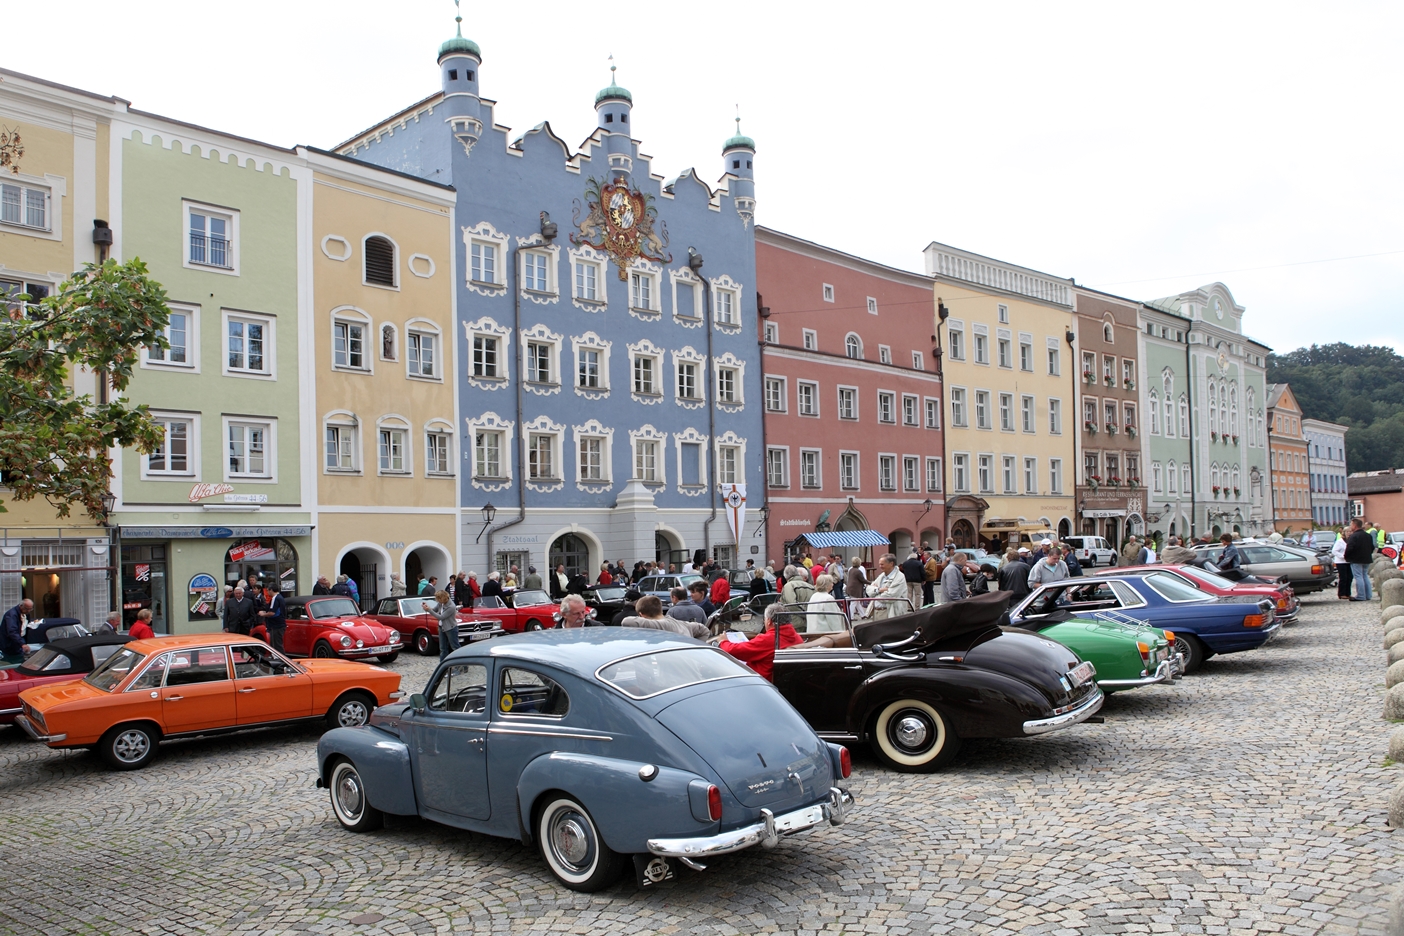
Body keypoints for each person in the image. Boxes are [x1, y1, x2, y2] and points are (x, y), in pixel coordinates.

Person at [718, 603, 803, 682]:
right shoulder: (797, 637)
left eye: (764, 619)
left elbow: (733, 651)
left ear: (769, 621)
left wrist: (723, 641)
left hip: (760, 681)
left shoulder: (768, 639)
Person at [622, 595, 708, 639]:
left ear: (641, 615)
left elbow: (626, 621)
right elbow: (704, 630)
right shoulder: (681, 624)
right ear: (661, 610)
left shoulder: (658, 625)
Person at [865, 554, 909, 619]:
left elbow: (890, 597)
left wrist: (875, 594)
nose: (880, 566)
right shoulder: (881, 576)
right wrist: (879, 590)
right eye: (879, 564)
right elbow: (868, 590)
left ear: (891, 564)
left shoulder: (899, 577)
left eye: (882, 564)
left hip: (890, 613)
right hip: (876, 612)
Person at [423, 590, 460, 660]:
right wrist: (427, 608)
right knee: (443, 648)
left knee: (455, 647)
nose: (437, 601)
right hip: (441, 627)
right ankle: (443, 666)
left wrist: (429, 610)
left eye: (438, 599)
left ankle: (463, 664)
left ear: (442, 598)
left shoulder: (451, 606)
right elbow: (434, 610)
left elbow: (441, 617)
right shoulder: (441, 603)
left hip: (451, 628)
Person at [1345, 518, 1375, 601]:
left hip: (1356, 559)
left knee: (1358, 576)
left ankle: (1361, 595)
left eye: (1351, 524)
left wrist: (1347, 556)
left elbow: (1349, 548)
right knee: (1365, 576)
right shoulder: (1368, 535)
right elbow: (1372, 547)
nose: (1350, 526)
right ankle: (1368, 595)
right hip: (1366, 558)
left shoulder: (1354, 536)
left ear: (1354, 525)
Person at [1, 598, 34, 664]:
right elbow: (12, 631)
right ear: (21, 606)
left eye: (30, 609)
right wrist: (22, 644)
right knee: (14, 661)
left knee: (20, 659)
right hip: (10, 643)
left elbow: (24, 626)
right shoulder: (12, 614)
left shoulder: (26, 614)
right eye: (27, 609)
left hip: (20, 639)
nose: (29, 611)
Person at [256, 584, 286, 652]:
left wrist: (263, 614)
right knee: (276, 644)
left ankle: (281, 660)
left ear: (271, 590)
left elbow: (272, 613)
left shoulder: (275, 598)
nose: (267, 592)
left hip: (276, 625)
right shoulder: (280, 597)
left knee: (276, 645)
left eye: (268, 590)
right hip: (280, 624)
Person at [1332, 527, 1351, 600]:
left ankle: (1348, 593)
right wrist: (1342, 556)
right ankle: (1342, 593)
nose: (1349, 533)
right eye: (1347, 531)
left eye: (1350, 531)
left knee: (1349, 577)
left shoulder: (1350, 541)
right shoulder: (1340, 541)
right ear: (1344, 532)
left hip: (1348, 561)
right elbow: (1334, 551)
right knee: (1343, 577)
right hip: (1341, 561)